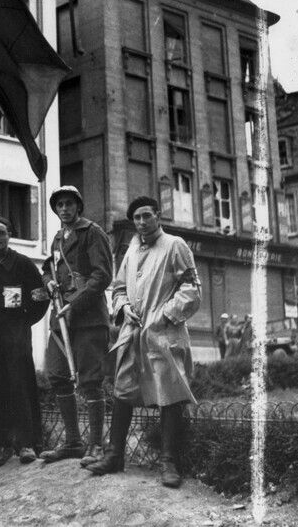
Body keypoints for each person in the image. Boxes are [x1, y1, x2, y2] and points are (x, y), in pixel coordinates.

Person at [87, 196, 201, 488]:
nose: (141, 222)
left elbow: (192, 289)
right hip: (133, 334)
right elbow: (119, 287)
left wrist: (164, 315)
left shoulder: (175, 245)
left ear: (158, 216)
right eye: (136, 218)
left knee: (169, 395)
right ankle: (114, 456)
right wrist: (123, 308)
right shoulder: (132, 249)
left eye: (146, 216)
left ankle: (168, 462)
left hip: (164, 334)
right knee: (123, 390)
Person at [40, 186, 113, 469]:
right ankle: (73, 441)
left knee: (90, 381)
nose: (64, 209)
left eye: (69, 204)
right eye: (59, 205)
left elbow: (102, 274)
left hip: (88, 319)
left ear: (78, 206)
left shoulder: (92, 232)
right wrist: (47, 281)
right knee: (57, 375)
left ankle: (97, 444)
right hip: (61, 320)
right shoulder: (59, 238)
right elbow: (50, 268)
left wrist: (76, 302)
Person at [0, 216, 49, 466]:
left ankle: (27, 444)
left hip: (16, 335)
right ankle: (2, 444)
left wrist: (24, 322)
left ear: (9, 235)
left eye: (2, 233)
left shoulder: (23, 263)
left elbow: (41, 297)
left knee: (20, 386)